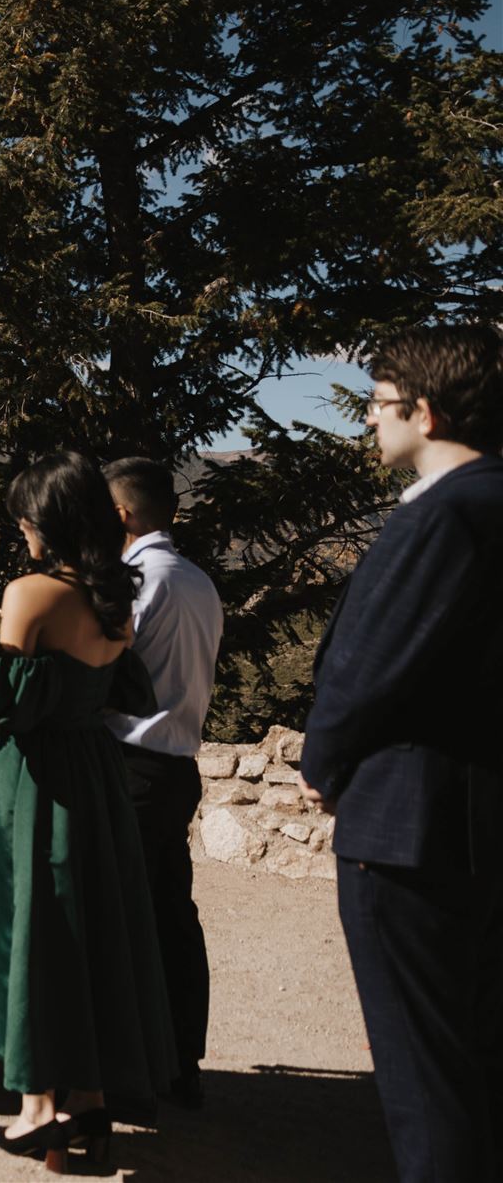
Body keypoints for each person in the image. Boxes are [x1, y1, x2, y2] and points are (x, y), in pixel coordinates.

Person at [0, 450, 175, 1173]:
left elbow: (0, 699)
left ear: (50, 521)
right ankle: (91, 1102)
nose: (22, 530)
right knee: (89, 930)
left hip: (33, 781)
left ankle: (37, 1106)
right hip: (95, 777)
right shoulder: (113, 597)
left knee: (29, 928)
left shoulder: (30, 592)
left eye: (26, 518)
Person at [301, 324, 503, 1183]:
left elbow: (363, 666)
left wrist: (322, 763)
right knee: (478, 1060)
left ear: (423, 411)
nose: (371, 425)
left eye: (381, 407)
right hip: (478, 813)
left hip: (409, 824)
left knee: (426, 1078)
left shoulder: (447, 514)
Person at [101, 455, 223, 1110]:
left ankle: (139, 1067)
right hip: (179, 766)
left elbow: (109, 673)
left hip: (133, 765)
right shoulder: (199, 580)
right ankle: (183, 1059)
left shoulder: (136, 581)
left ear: (120, 514)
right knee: (173, 912)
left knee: (127, 917)